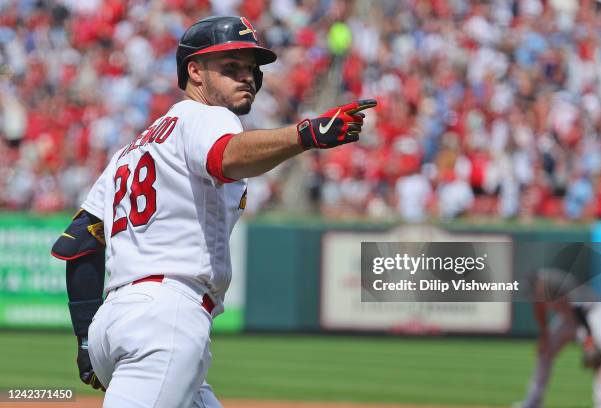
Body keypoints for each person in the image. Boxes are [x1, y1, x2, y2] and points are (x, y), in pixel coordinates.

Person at [51, 16, 376, 407]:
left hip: (117, 319)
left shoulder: (131, 150)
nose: (247, 78)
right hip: (165, 317)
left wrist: (88, 338)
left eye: (251, 70)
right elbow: (225, 157)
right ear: (195, 71)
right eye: (231, 67)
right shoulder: (205, 116)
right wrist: (305, 134)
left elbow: (80, 241)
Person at [516, 268, 601, 408]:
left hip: (591, 314)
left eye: (533, 289)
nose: (533, 294)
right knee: (544, 353)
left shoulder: (557, 281)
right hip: (568, 318)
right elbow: (539, 309)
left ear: (539, 282)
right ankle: (533, 402)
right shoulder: (539, 290)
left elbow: (580, 310)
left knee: (597, 358)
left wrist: (589, 340)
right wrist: (544, 336)